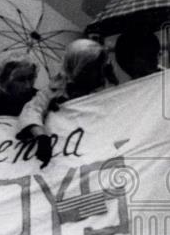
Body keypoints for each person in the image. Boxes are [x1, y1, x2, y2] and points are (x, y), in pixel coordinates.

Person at [17, 39, 118, 168]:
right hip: (67, 157)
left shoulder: (108, 88)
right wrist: (41, 136)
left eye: (96, 67)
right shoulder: (53, 90)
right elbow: (31, 110)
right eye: (89, 68)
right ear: (77, 67)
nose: (95, 73)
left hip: (99, 151)